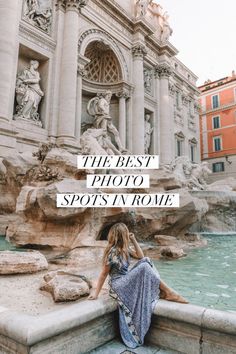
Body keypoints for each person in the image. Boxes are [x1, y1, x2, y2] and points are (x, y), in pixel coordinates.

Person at [88, 222, 188, 348]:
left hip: (125, 280)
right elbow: (103, 274)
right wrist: (96, 293)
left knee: (145, 261)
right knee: (145, 265)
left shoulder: (125, 249)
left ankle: (167, 292)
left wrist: (134, 240)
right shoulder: (113, 252)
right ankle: (168, 292)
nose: (128, 235)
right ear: (122, 235)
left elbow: (141, 256)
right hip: (118, 284)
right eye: (126, 233)